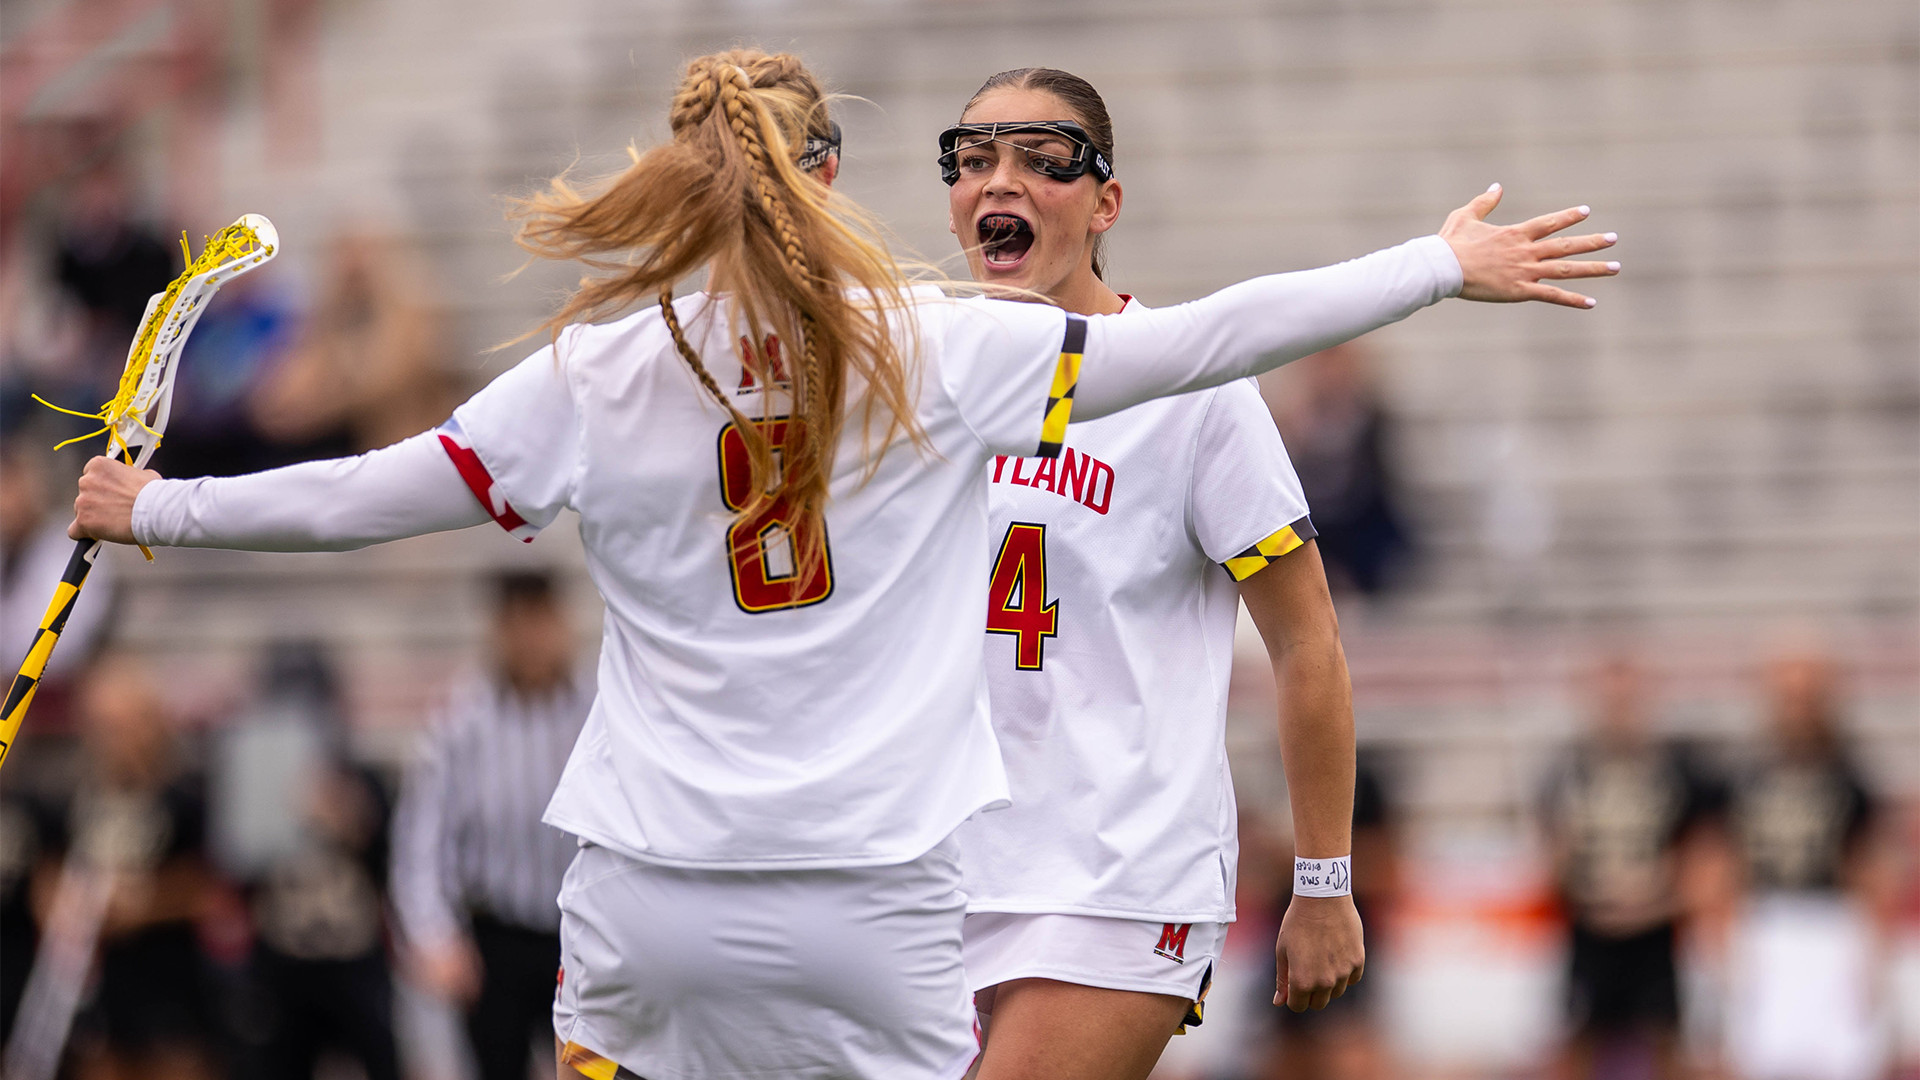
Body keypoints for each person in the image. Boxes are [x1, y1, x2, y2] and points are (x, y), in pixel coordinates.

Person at [64, 47, 1616, 1080]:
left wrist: (161, 511)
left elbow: (369, 496)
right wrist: (1433, 266)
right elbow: (1216, 332)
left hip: (655, 888)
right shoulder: (931, 349)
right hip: (882, 903)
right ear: (829, 180)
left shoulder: (595, 366)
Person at [932, 68, 1365, 1080]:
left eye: (1043, 161)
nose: (1003, 182)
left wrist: (1323, 880)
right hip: (927, 871)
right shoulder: (925, 369)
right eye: (976, 157)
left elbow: (1308, 641)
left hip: (1117, 874)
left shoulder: (1191, 390)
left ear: (1104, 203)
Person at [391, 570, 591, 1080]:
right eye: (516, 623)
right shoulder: (461, 719)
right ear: (498, 630)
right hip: (493, 937)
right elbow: (422, 836)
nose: (530, 639)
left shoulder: (597, 711)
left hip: (581, 937)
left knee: (590, 1070)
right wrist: (434, 935)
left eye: (540, 621)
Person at [1539, 656, 1714, 1080]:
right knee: (1577, 1040)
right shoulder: (1567, 772)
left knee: (1669, 1040)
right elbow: (1550, 858)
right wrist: (1587, 893)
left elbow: (1702, 860)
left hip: (1656, 932)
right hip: (1589, 929)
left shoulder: (1678, 770)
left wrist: (1652, 902)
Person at [1720, 653, 1889, 1080]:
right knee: (1763, 1058)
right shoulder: (1746, 776)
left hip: (1833, 922)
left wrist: (1874, 951)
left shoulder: (1851, 776)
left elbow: (1870, 866)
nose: (1798, 709)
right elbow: (1725, 862)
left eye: (1807, 697)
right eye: (1789, 697)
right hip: (1766, 920)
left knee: (1844, 1059)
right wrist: (1724, 939)